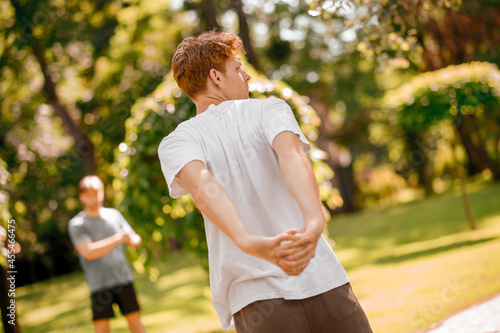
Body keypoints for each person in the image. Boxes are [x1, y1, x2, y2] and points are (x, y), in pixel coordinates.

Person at [158, 31, 373, 332]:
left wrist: (249, 242)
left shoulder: (174, 142)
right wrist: (314, 223)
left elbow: (203, 186)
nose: (246, 77)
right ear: (216, 77)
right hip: (323, 281)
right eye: (237, 69)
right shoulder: (270, 108)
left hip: (256, 301)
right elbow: (293, 157)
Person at [68, 175, 146, 333]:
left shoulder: (114, 215)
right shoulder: (77, 224)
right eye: (90, 194)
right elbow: (88, 252)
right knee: (102, 329)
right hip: (99, 285)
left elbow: (133, 236)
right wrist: (117, 239)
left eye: (98, 192)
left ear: (102, 192)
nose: (95, 198)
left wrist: (134, 239)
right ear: (82, 197)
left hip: (123, 279)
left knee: (136, 323)